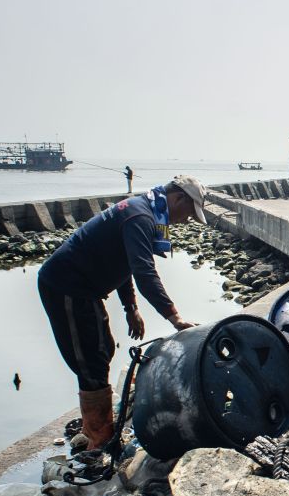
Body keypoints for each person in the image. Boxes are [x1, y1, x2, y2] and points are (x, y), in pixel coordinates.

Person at [38, 176, 204, 450]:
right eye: (189, 213)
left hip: (87, 290)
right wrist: (173, 316)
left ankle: (97, 428)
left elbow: (124, 264)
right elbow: (143, 270)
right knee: (89, 360)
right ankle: (99, 438)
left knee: (102, 351)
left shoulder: (146, 211)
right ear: (179, 198)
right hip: (66, 286)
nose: (186, 221)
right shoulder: (140, 217)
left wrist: (131, 308)